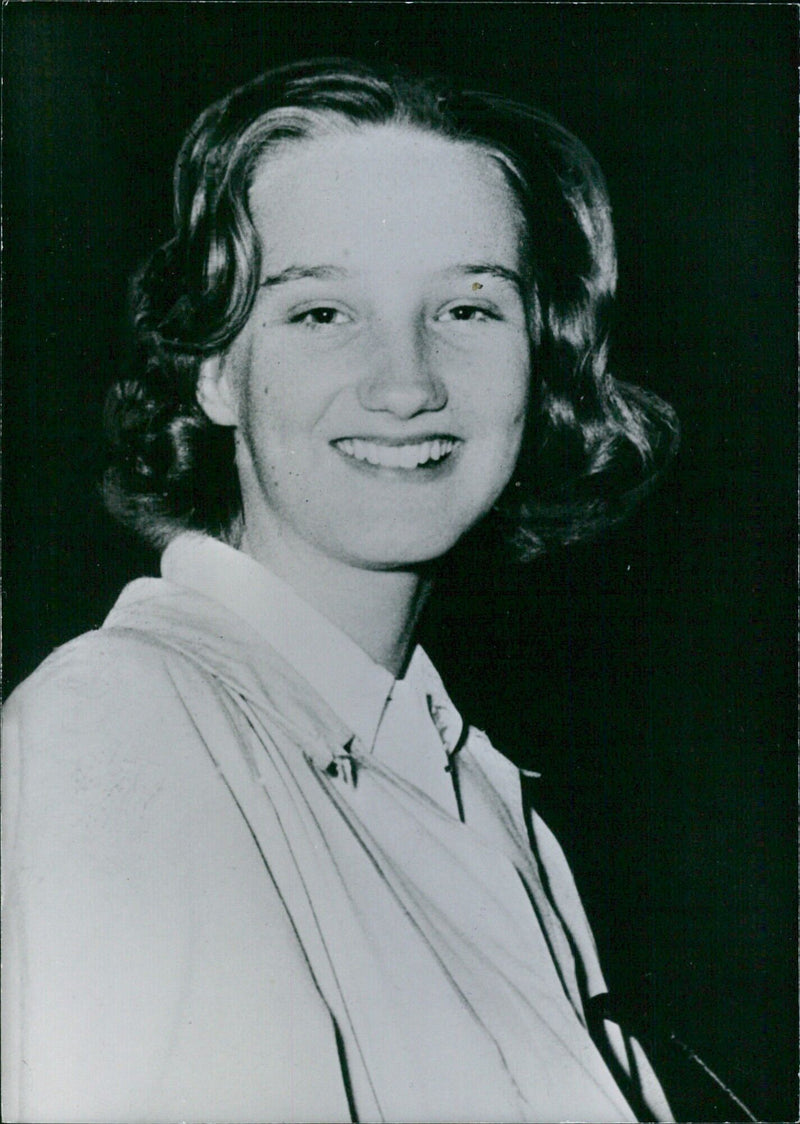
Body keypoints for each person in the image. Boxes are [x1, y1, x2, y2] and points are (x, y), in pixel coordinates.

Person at [2, 59, 680, 1123]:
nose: (405, 381)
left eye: (466, 306)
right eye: (321, 314)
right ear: (211, 369)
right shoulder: (123, 726)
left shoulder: (478, 789)